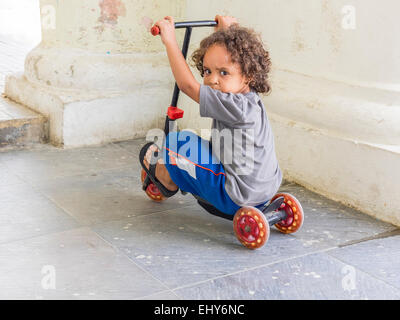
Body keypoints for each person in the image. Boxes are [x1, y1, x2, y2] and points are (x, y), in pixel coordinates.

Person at [140, 15, 282, 216]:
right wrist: (224, 34)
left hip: (235, 197)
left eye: (223, 73)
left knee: (178, 142)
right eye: (207, 71)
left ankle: (166, 179)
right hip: (263, 192)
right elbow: (224, 63)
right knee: (209, 144)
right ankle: (177, 172)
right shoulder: (249, 97)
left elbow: (187, 85)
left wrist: (170, 41)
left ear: (248, 75)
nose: (213, 80)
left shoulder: (231, 104)